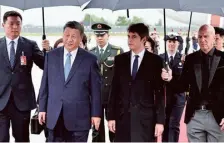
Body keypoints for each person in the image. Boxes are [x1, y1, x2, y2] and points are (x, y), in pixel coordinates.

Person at [38, 21, 102, 142]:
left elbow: (96, 90)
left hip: (79, 118)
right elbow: (44, 85)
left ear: (81, 38)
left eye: (74, 36)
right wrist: (42, 108)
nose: (69, 39)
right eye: (67, 35)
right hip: (54, 115)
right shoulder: (51, 56)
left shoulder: (90, 59)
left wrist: (96, 114)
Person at [162, 24, 224, 142]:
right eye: (200, 37)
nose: (202, 40)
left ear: (214, 38)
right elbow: (182, 86)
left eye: (206, 36)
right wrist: (170, 78)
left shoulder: (223, 58)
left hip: (218, 116)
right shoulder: (190, 59)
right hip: (194, 116)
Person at [107, 23, 165, 142]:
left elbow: (159, 94)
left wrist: (160, 121)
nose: (130, 40)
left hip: (145, 120)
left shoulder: (155, 61)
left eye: (134, 37)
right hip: (123, 118)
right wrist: (111, 117)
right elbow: (114, 89)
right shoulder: (120, 60)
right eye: (128, 36)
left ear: (143, 39)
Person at [0, 11, 47, 142]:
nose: (15, 27)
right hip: (1, 101)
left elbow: (45, 66)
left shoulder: (29, 45)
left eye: (18, 24)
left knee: (22, 138)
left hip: (22, 102)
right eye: (11, 24)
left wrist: (46, 51)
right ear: (3, 25)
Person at [89, 23, 124, 142]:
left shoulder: (117, 52)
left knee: (114, 130)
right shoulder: (90, 53)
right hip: (96, 98)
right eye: (97, 35)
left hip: (112, 97)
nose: (99, 37)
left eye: (102, 35)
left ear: (108, 35)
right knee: (97, 131)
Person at [159, 33, 186, 142]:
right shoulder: (160, 58)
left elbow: (185, 82)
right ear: (166, 43)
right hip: (164, 97)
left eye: (174, 42)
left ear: (178, 43)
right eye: (169, 42)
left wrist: (171, 78)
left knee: (174, 125)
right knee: (164, 124)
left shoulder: (184, 59)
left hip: (178, 97)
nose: (171, 44)